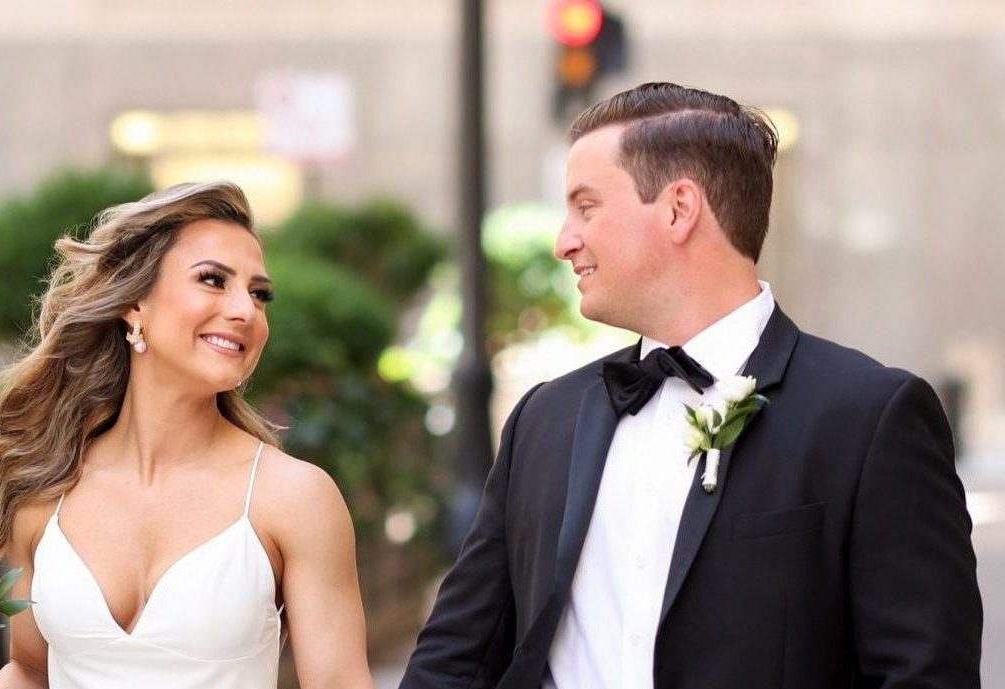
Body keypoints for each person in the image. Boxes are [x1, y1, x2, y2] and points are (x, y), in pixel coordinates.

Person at [400, 82, 982, 689]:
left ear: (679, 208)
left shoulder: (869, 417)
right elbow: (456, 655)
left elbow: (925, 674)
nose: (564, 241)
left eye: (586, 206)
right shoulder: (544, 419)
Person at [0, 182, 373, 689]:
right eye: (213, 280)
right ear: (135, 303)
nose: (246, 311)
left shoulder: (294, 497)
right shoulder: (44, 494)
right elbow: (31, 671)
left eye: (259, 293)